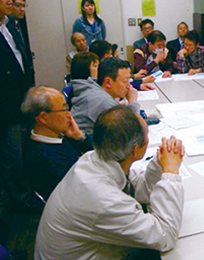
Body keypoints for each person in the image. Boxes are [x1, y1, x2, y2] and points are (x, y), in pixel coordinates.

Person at [35, 105, 185, 259]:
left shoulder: (94, 158)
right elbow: (165, 236)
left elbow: (139, 188)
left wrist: (160, 165)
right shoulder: (104, 199)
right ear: (136, 150)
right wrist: (171, 172)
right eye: (147, 135)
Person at [0, 0, 43, 213]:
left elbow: (22, 60)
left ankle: (29, 191)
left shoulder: (9, 26)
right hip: (7, 109)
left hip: (22, 100)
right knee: (12, 158)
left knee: (25, 151)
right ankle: (19, 202)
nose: (11, 1)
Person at [22, 86, 91, 200]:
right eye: (64, 109)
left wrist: (79, 136)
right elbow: (82, 191)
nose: (69, 115)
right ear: (43, 118)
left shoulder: (58, 134)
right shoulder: (46, 158)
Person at [71, 57, 140, 136]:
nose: (129, 86)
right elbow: (133, 129)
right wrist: (133, 101)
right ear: (108, 82)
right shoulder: (103, 101)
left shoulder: (94, 89)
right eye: (125, 81)